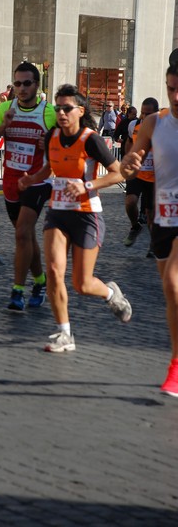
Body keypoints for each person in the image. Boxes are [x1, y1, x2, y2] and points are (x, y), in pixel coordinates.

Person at [19, 83, 132, 352]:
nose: (61, 113)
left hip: (86, 214)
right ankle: (64, 334)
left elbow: (120, 173)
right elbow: (49, 169)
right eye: (58, 108)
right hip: (58, 212)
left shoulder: (90, 139)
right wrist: (31, 179)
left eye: (67, 108)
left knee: (81, 283)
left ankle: (110, 293)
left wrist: (88, 186)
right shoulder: (52, 137)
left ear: (80, 111)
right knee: (55, 272)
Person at [120, 61, 178, 397]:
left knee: (173, 280)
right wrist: (130, 163)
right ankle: (175, 359)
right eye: (171, 88)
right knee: (171, 294)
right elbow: (131, 160)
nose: (175, 94)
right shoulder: (155, 123)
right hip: (163, 216)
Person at [0, 61, 57, 312]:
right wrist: (4, 125)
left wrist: (52, 147)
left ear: (37, 85)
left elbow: (66, 148)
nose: (21, 88)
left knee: (22, 234)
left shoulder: (50, 113)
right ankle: (40, 281)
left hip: (39, 180)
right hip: (11, 182)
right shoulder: (4, 108)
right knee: (26, 237)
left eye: (27, 83)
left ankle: (16, 292)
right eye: (17, 83)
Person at [122, 97, 159, 256]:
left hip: (155, 176)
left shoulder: (165, 129)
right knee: (130, 202)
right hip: (137, 172)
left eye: (148, 113)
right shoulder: (134, 125)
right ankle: (135, 225)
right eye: (142, 113)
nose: (144, 116)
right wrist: (128, 156)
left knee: (151, 215)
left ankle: (153, 245)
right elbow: (129, 141)